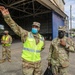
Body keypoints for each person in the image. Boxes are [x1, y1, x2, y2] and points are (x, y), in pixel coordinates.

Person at [0, 6, 45, 75]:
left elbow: (42, 48)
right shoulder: (26, 34)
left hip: (38, 63)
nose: (34, 28)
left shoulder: (42, 38)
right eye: (33, 26)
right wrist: (7, 16)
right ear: (32, 27)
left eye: (36, 27)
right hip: (27, 64)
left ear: (39, 29)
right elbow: (15, 27)